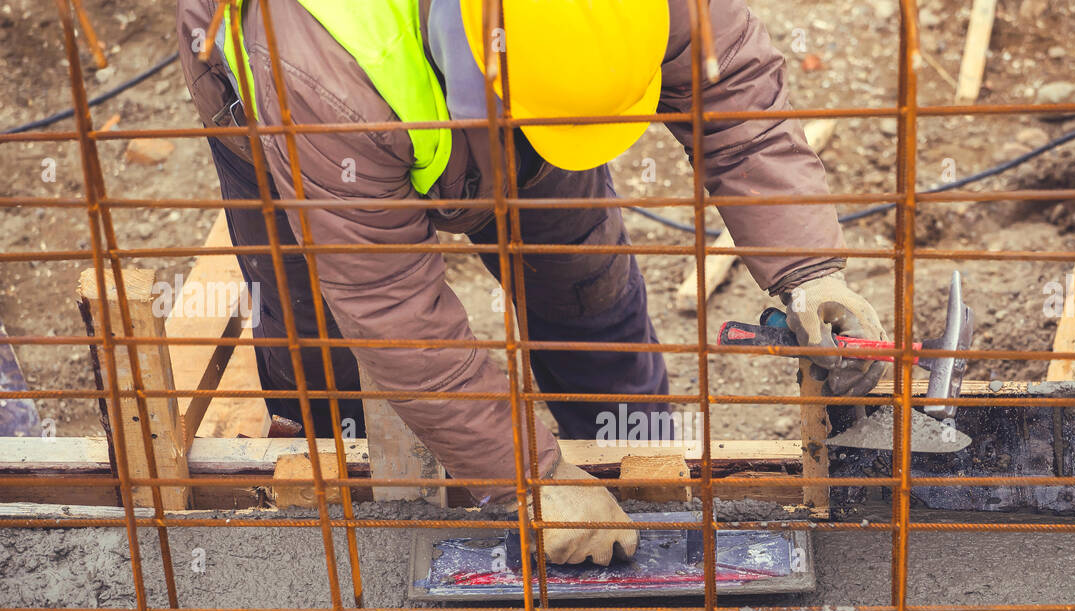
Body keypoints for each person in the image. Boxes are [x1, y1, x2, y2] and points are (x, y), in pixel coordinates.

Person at [176, 0, 886, 565]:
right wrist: (528, 482)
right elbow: (391, 304)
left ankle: (634, 476)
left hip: (526, 93)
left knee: (583, 285)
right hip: (292, 108)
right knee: (316, 320)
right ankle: (353, 504)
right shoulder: (323, 68)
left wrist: (809, 271)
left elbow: (736, 98)